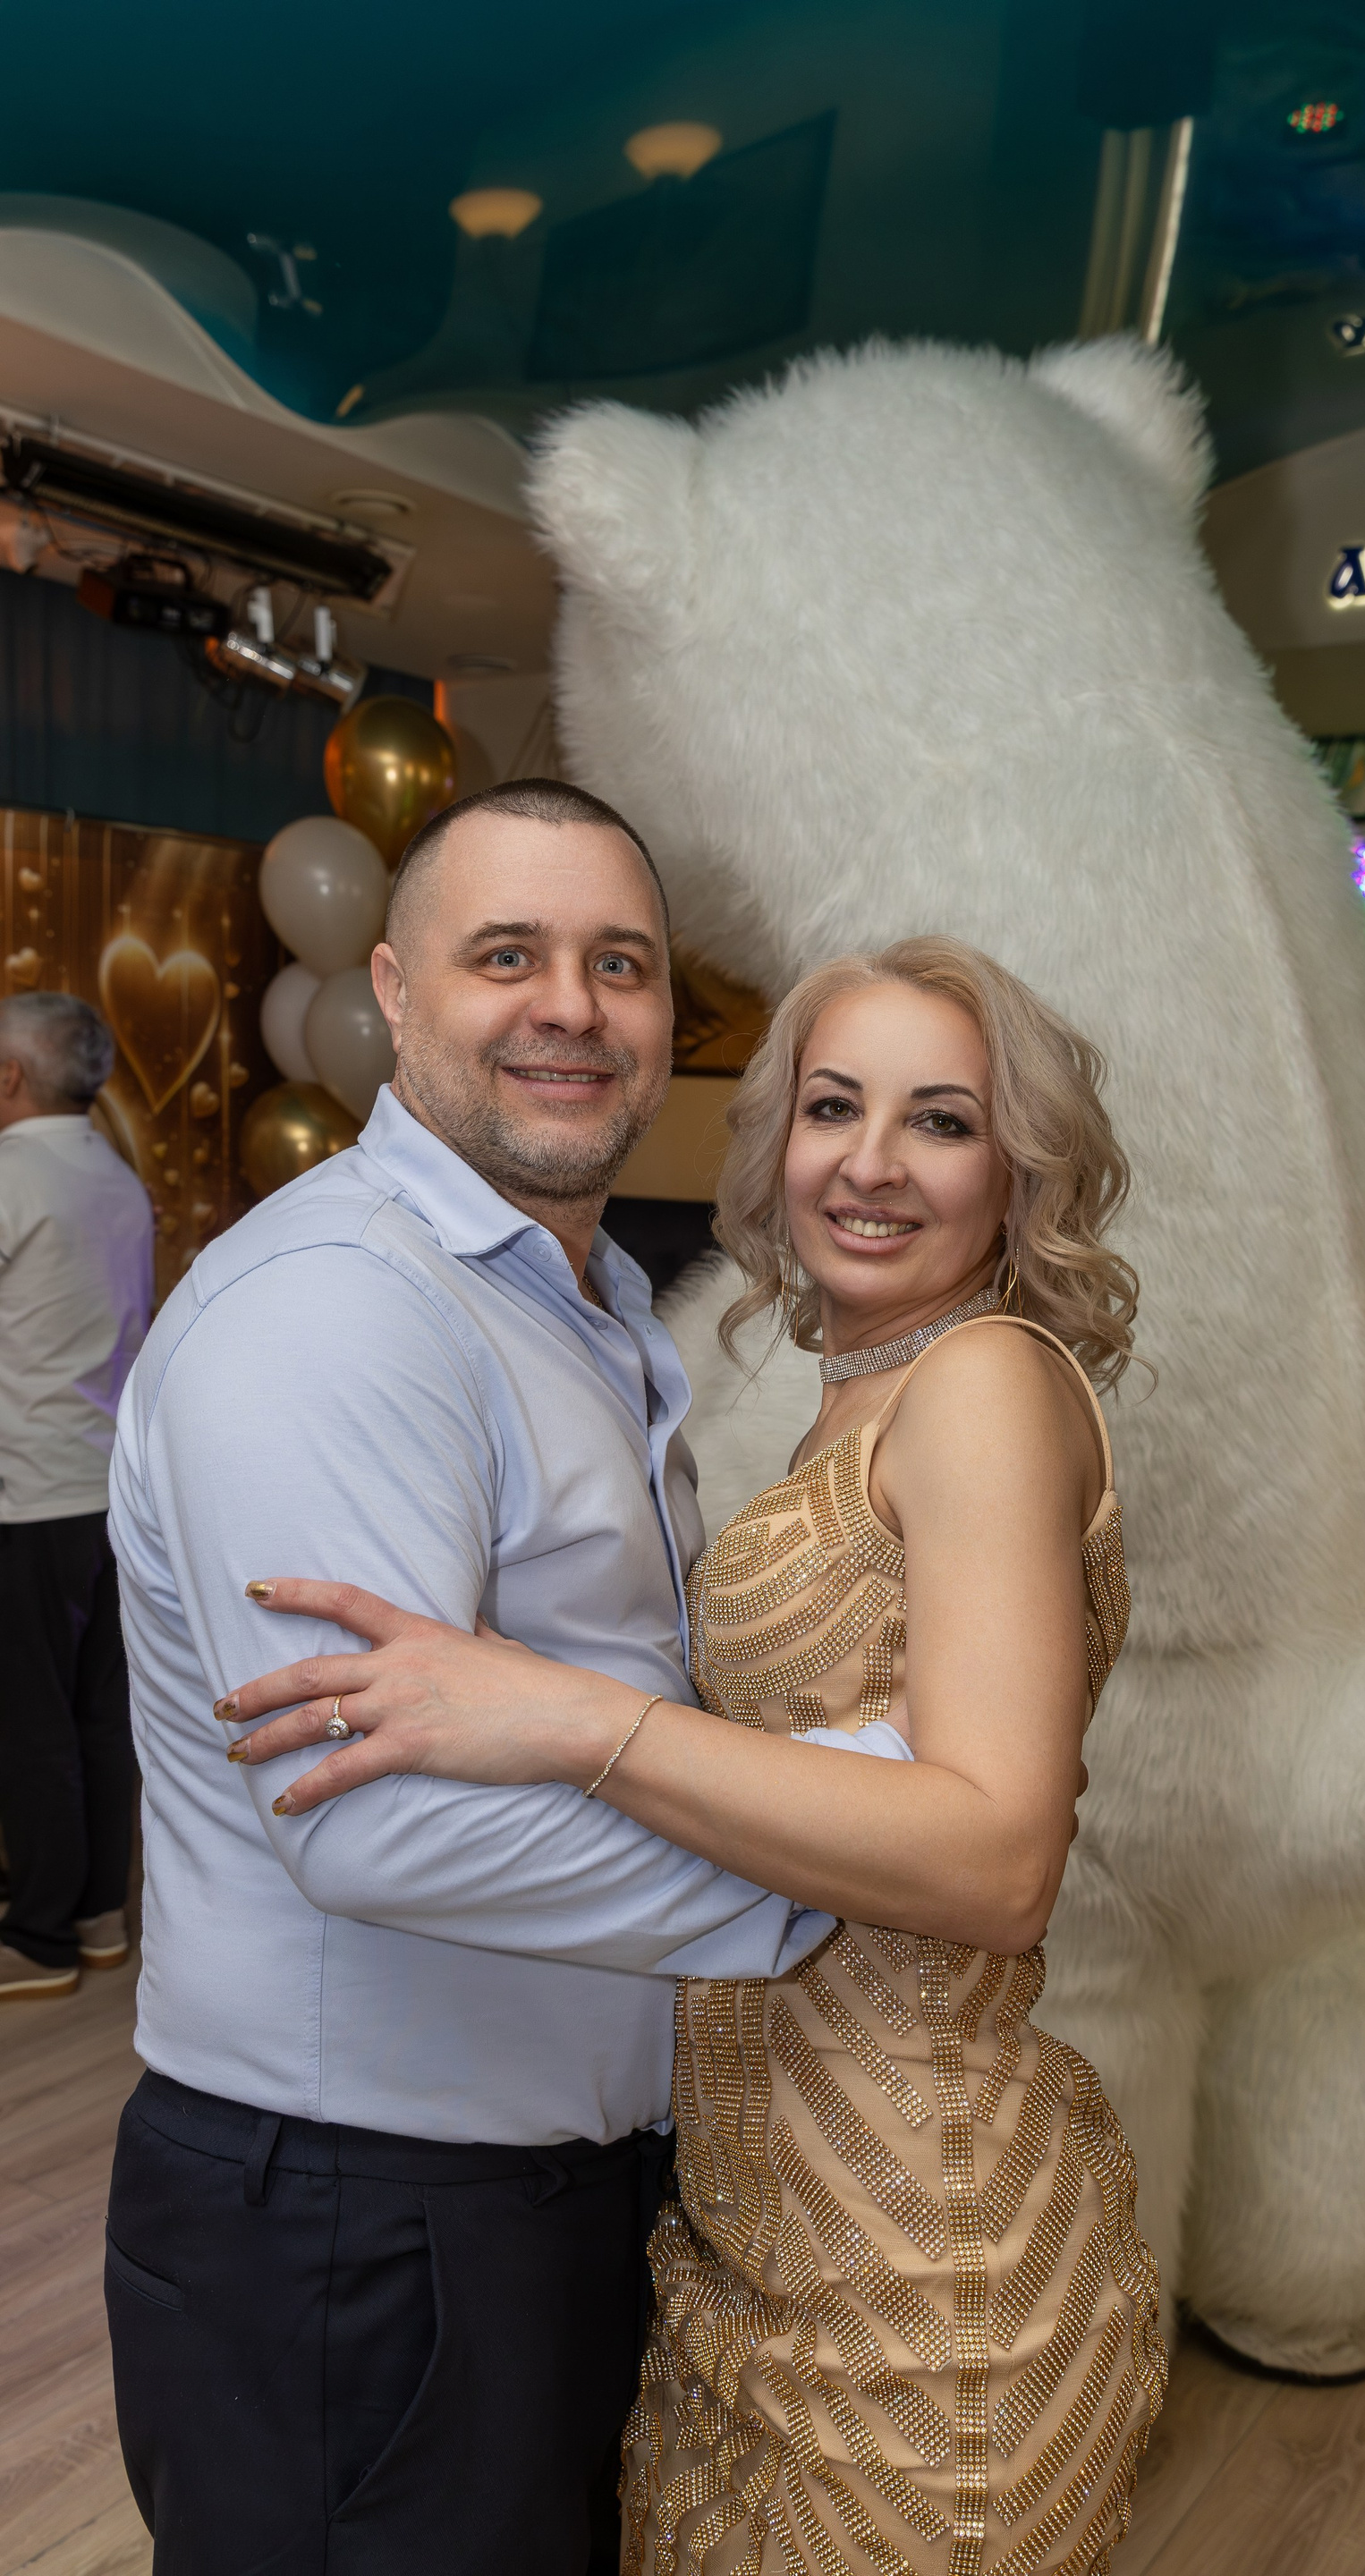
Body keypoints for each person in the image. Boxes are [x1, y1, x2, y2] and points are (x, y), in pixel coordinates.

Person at [224, 934, 1171, 2572]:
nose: (872, 1163)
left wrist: (566, 1716)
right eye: (833, 1107)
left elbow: (1000, 1859)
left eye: (942, 1121)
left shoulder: (983, 1386)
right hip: (768, 2223)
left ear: (1020, 1171)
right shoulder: (868, 1397)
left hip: (913, 2256)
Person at [104, 781, 834, 2576]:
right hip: (357, 2232)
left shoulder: (572, 1300)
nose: (571, 1007)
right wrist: (843, 1881)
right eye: (506, 955)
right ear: (392, 992)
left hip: (537, 2201)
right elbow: (379, 1828)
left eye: (620, 965)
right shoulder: (337, 1309)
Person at [0, 991, 153, 2001]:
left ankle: (41, 1936)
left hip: (27, 1490)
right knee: (98, 1716)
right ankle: (99, 1914)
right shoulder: (114, 1173)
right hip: (107, 1487)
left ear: (11, 1076)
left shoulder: (10, 1174)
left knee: (30, 1722)